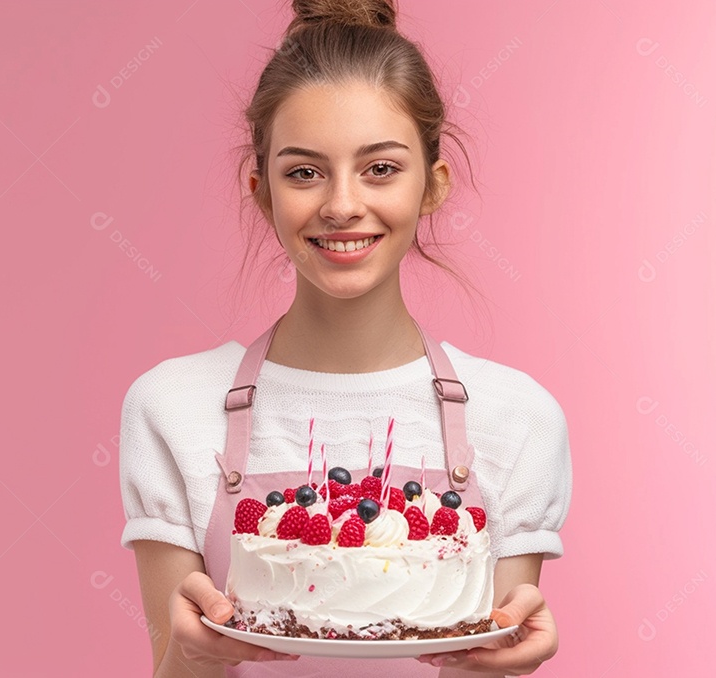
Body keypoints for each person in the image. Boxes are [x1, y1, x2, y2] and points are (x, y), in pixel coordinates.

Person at [118, 0, 571, 675]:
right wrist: (198, 653)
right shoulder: (172, 406)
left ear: (432, 186)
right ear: (262, 192)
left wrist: (506, 662)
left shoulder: (516, 417)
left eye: (380, 168)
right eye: (304, 172)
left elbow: (475, 657)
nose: (341, 204)